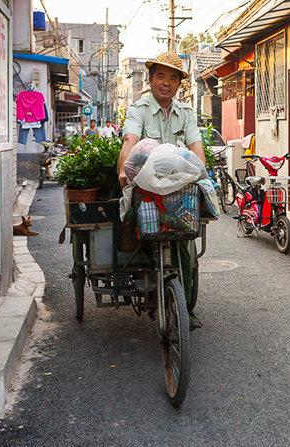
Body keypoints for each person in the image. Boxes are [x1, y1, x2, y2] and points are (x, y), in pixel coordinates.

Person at [118, 51, 205, 329]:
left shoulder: (186, 113)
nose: (166, 83)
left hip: (177, 191)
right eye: (160, 77)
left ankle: (186, 307)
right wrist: (123, 170)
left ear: (180, 84)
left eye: (173, 78)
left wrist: (202, 173)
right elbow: (130, 141)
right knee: (137, 226)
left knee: (184, 242)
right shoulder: (138, 109)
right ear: (151, 79)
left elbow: (197, 150)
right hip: (145, 187)